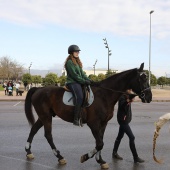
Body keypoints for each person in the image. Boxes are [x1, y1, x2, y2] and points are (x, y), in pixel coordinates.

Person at [112, 89, 144, 163]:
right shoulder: (122, 96)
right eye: (129, 89)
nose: (130, 90)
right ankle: (135, 157)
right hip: (123, 121)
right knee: (132, 137)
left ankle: (114, 153)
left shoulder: (128, 95)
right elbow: (122, 105)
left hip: (125, 120)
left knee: (119, 136)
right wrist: (128, 101)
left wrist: (130, 99)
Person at [64, 45, 92, 126]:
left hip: (78, 81)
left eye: (78, 52)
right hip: (72, 82)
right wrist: (84, 81)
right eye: (76, 51)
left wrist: (88, 79)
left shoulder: (77, 62)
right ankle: (76, 118)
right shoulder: (69, 62)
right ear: (71, 52)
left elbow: (82, 74)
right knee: (79, 97)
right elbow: (74, 75)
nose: (77, 53)